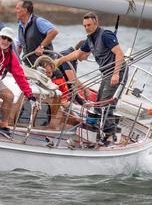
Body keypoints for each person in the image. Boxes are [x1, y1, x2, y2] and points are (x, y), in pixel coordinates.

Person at [54, 12, 126, 140]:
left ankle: (110, 135)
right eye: (85, 25)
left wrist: (116, 74)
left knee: (105, 103)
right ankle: (99, 130)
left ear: (96, 23)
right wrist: (60, 60)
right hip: (106, 73)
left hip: (117, 71)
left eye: (89, 25)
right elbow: (77, 53)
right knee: (98, 102)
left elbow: (119, 53)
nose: (87, 28)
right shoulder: (89, 39)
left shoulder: (105, 35)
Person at [15, 0, 58, 67]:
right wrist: (13, 60)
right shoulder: (20, 26)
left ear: (25, 10)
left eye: (17, 8)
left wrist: (41, 46)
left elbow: (53, 31)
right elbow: (20, 46)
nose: (16, 11)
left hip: (44, 65)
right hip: (29, 64)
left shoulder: (38, 21)